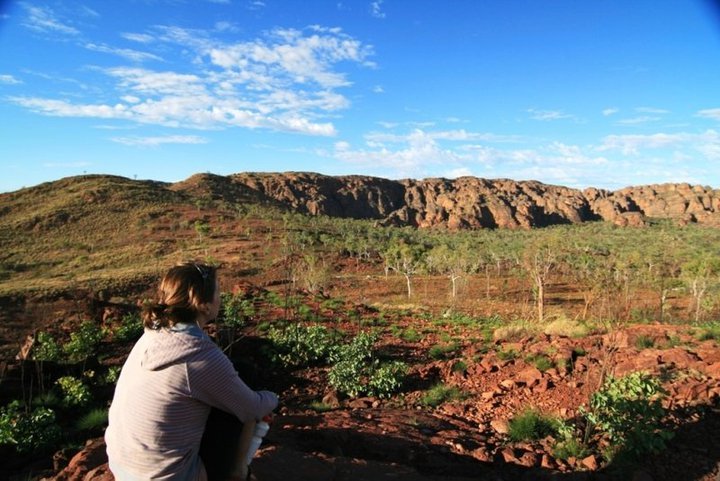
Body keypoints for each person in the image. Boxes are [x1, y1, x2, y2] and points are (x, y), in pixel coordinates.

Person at [105, 262, 278, 481]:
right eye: (218, 291)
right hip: (169, 477)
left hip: (123, 468)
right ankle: (237, 473)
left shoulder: (153, 334)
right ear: (204, 305)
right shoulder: (198, 354)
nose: (221, 297)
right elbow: (252, 408)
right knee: (245, 378)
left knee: (232, 378)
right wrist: (272, 398)